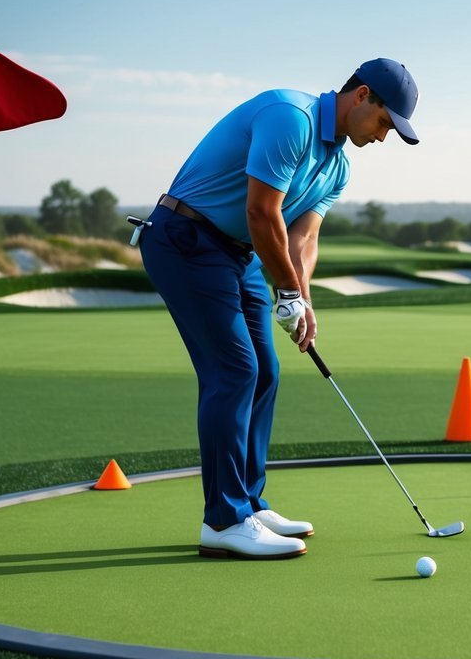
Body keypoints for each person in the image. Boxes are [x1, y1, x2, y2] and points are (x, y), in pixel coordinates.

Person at [137, 59, 420, 559]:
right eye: (383, 123)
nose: (383, 137)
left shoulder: (338, 166)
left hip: (236, 252)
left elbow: (302, 237)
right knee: (235, 372)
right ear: (362, 97)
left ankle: (248, 502)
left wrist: (302, 298)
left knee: (265, 370)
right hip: (185, 238)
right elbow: (260, 210)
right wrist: (286, 292)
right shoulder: (292, 117)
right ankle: (223, 521)